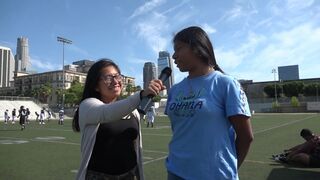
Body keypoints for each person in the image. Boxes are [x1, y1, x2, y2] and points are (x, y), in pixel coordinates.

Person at [164, 26, 254, 180]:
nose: (174, 56)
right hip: (175, 172)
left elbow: (246, 137)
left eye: (178, 49)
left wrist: (227, 170)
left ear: (197, 48)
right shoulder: (175, 90)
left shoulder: (226, 84)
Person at [72, 59, 165, 180]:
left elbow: (131, 113)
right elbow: (107, 113)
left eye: (117, 76)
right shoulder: (87, 105)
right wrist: (142, 94)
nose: (115, 81)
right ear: (95, 86)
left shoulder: (129, 109)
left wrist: (149, 95)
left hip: (130, 175)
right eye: (108, 78)